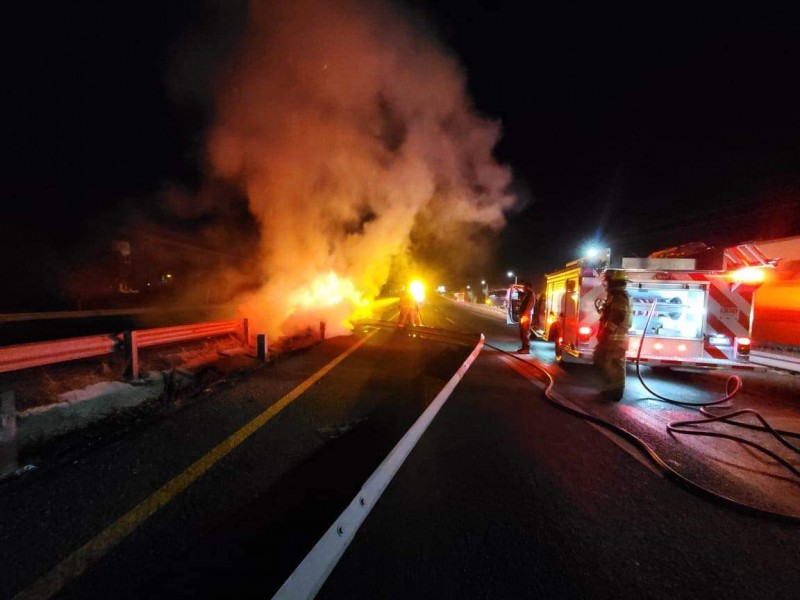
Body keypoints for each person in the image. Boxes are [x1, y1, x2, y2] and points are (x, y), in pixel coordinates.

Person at [593, 269, 632, 401]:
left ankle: (615, 393)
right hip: (613, 339)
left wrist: (607, 331)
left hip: (615, 339)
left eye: (607, 282)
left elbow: (618, 315)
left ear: (613, 282)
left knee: (613, 365)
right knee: (605, 362)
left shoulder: (619, 297)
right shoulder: (615, 296)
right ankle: (611, 390)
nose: (606, 285)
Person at [516, 281, 535, 353]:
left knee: (525, 332)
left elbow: (529, 306)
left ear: (528, 287)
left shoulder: (530, 295)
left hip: (526, 316)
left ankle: (526, 348)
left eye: (524, 287)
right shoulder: (528, 294)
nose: (523, 288)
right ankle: (524, 347)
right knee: (523, 332)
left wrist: (524, 315)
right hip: (524, 315)